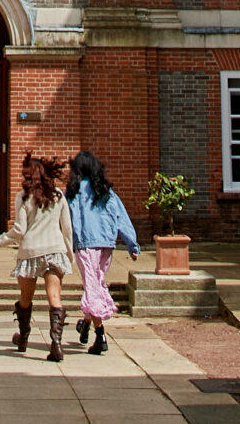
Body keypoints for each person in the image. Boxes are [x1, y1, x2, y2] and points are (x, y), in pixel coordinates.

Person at [0, 152, 75, 359]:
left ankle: (23, 337)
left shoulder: (23, 196)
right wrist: (69, 254)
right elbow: (67, 229)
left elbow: (19, 230)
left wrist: (0, 240)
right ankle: (56, 344)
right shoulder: (58, 195)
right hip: (54, 250)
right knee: (54, 297)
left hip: (31, 252)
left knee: (25, 298)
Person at [64, 150, 139, 355]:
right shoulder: (105, 191)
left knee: (92, 287)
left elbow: (66, 220)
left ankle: (100, 335)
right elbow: (121, 217)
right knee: (96, 283)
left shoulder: (74, 192)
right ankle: (86, 323)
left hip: (86, 244)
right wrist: (132, 245)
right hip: (106, 244)